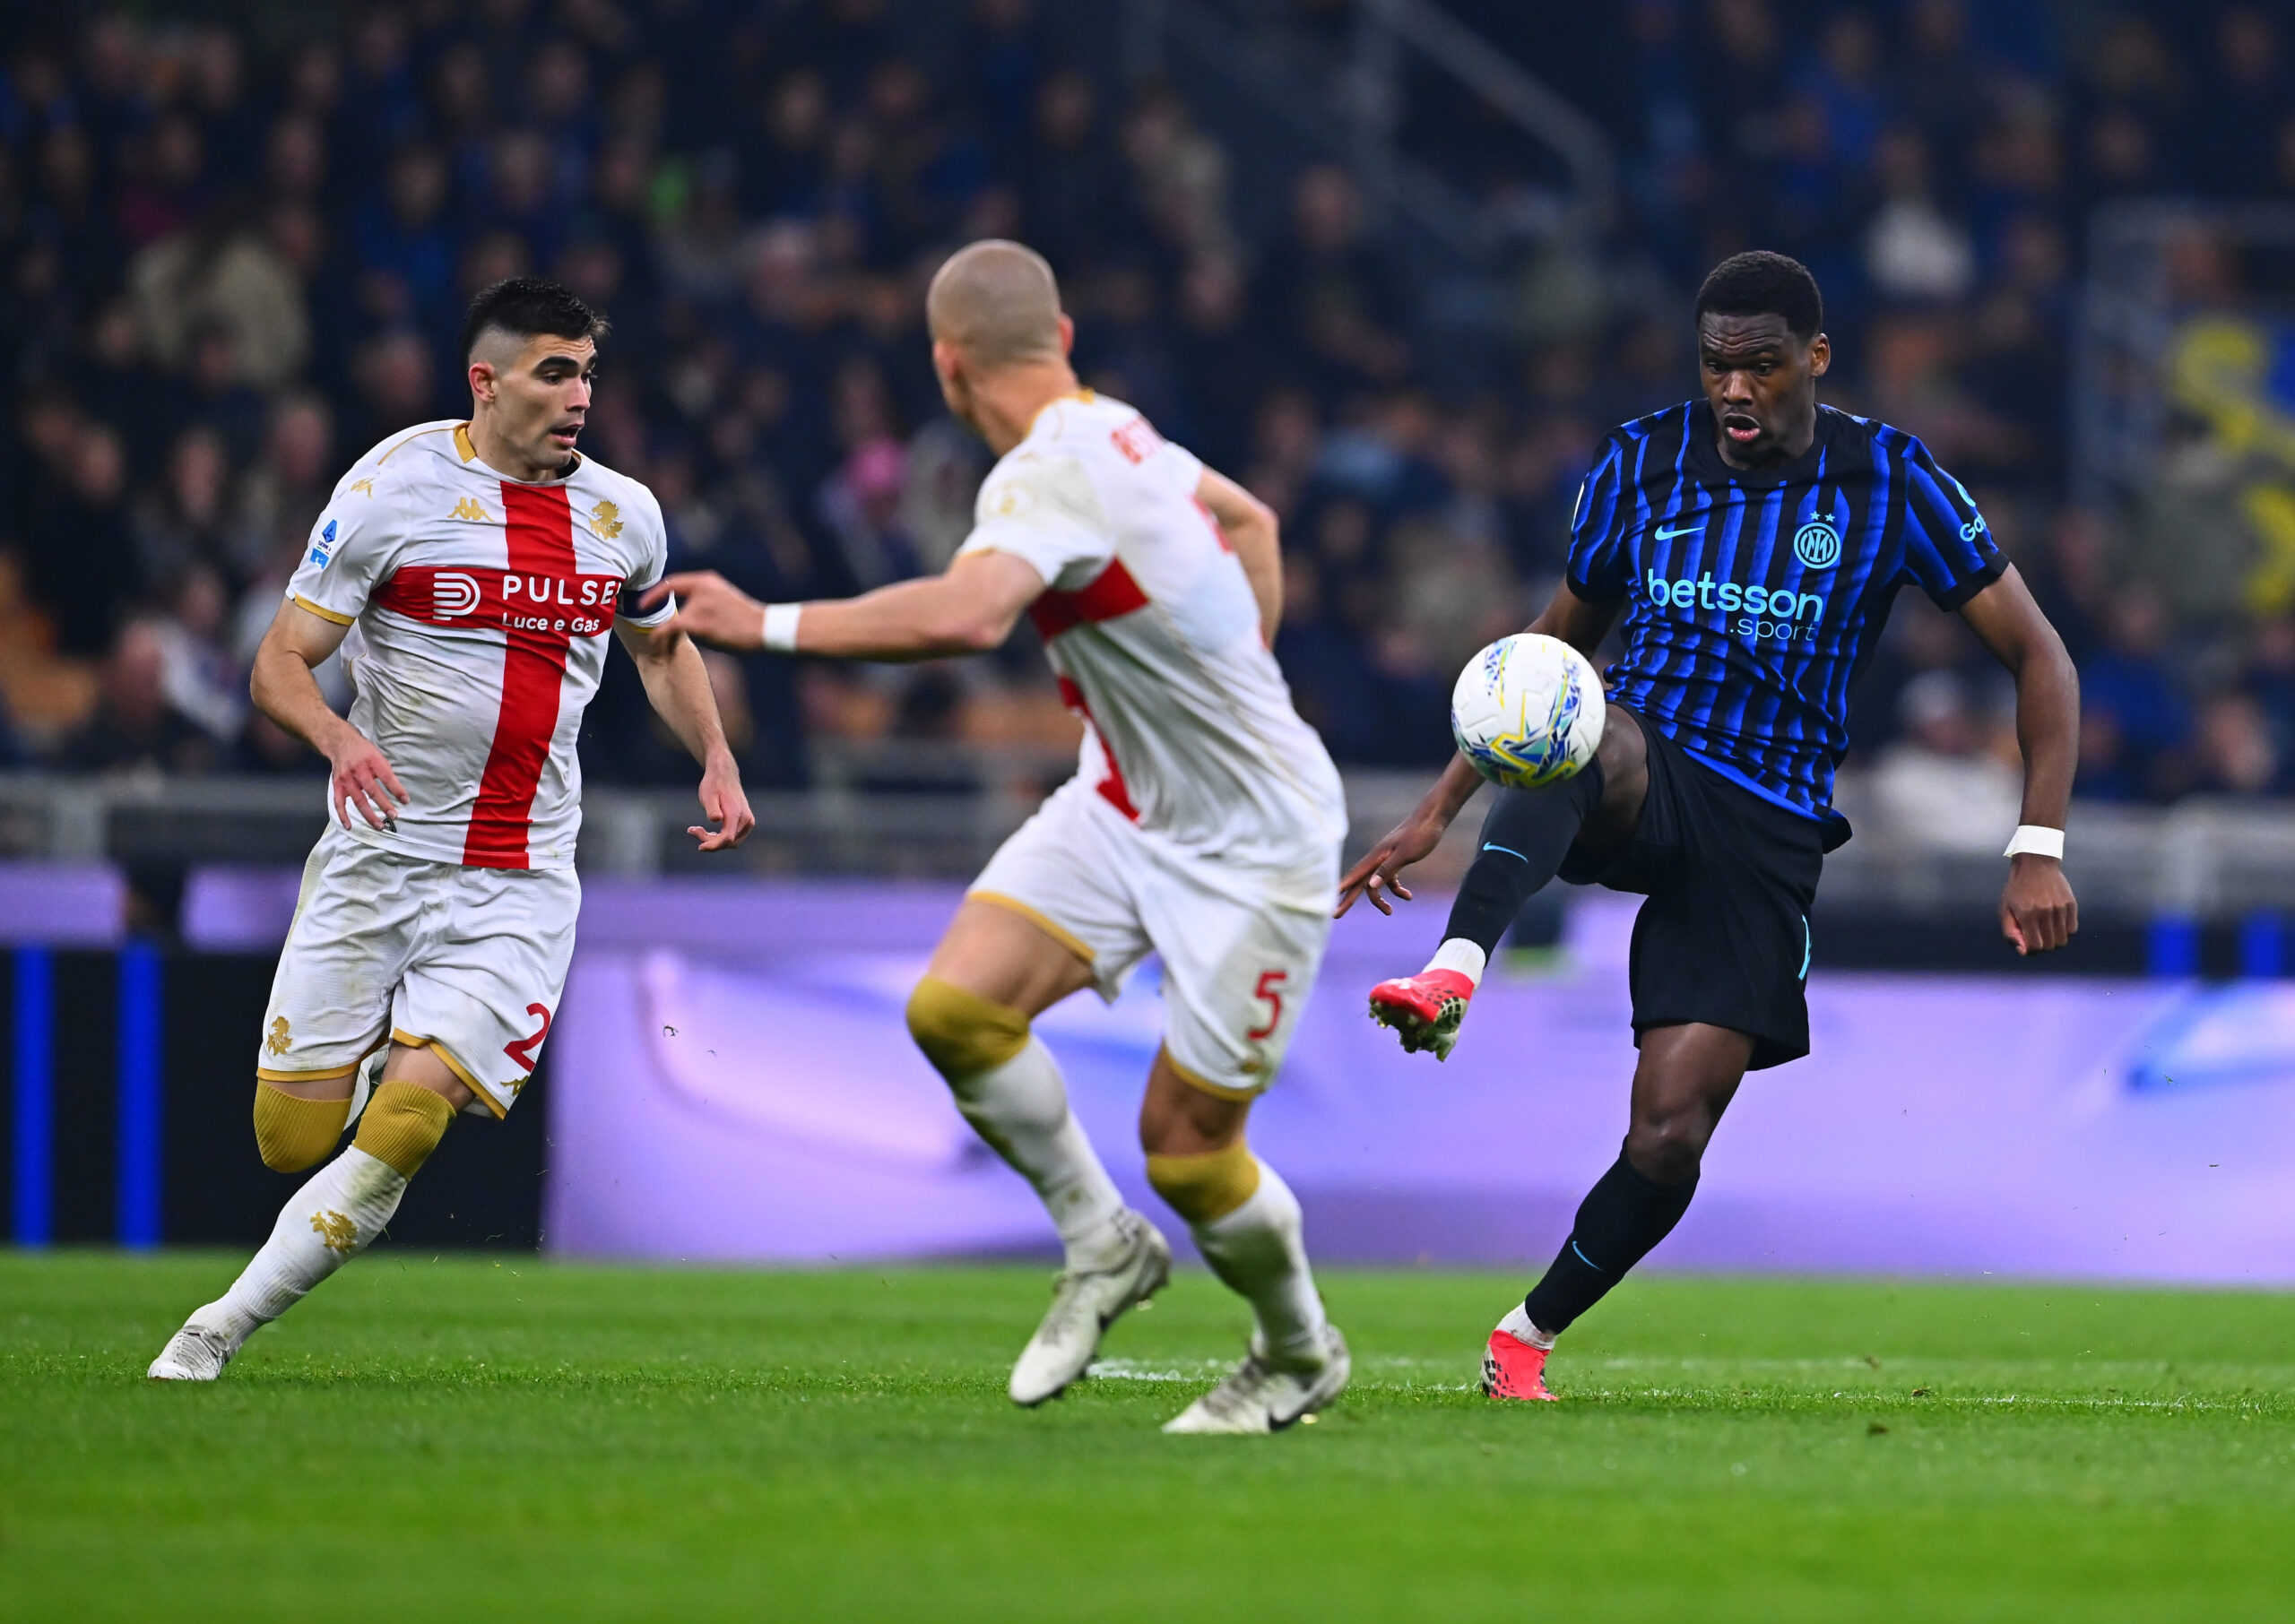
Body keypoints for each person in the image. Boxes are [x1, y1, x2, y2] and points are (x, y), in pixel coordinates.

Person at [1341, 251, 2080, 1403]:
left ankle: (1525, 1335)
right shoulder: (1640, 460)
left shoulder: (1889, 479)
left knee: (1671, 1131)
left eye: (1761, 366)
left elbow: (2041, 656)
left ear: (1814, 359)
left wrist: (2037, 846)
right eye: (1715, 365)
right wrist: (1438, 807)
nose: (1735, 389)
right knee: (1588, 727)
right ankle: (1453, 970)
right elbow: (1548, 656)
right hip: (1647, 764)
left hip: (1768, 820)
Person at [652, 240, 1350, 1435]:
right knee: (957, 1010)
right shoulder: (1122, 431)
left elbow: (972, 615)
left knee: (1188, 1153)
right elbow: (1255, 522)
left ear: (946, 367)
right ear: (1062, 340)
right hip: (1123, 801)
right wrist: (1228, 680)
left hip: (1256, 846)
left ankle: (1296, 1353)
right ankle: (1102, 1242)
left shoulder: (1047, 472)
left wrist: (762, 623)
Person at [149, 278, 754, 1380]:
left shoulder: (625, 514)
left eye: (588, 373)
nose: (579, 396)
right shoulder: (392, 486)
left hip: (520, 879)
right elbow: (278, 663)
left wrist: (714, 753)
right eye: (554, 372)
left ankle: (215, 1328)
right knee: (289, 1140)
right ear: (487, 380)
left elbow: (661, 647)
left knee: (411, 1122)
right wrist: (338, 738)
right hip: (380, 855)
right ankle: (381, 1048)